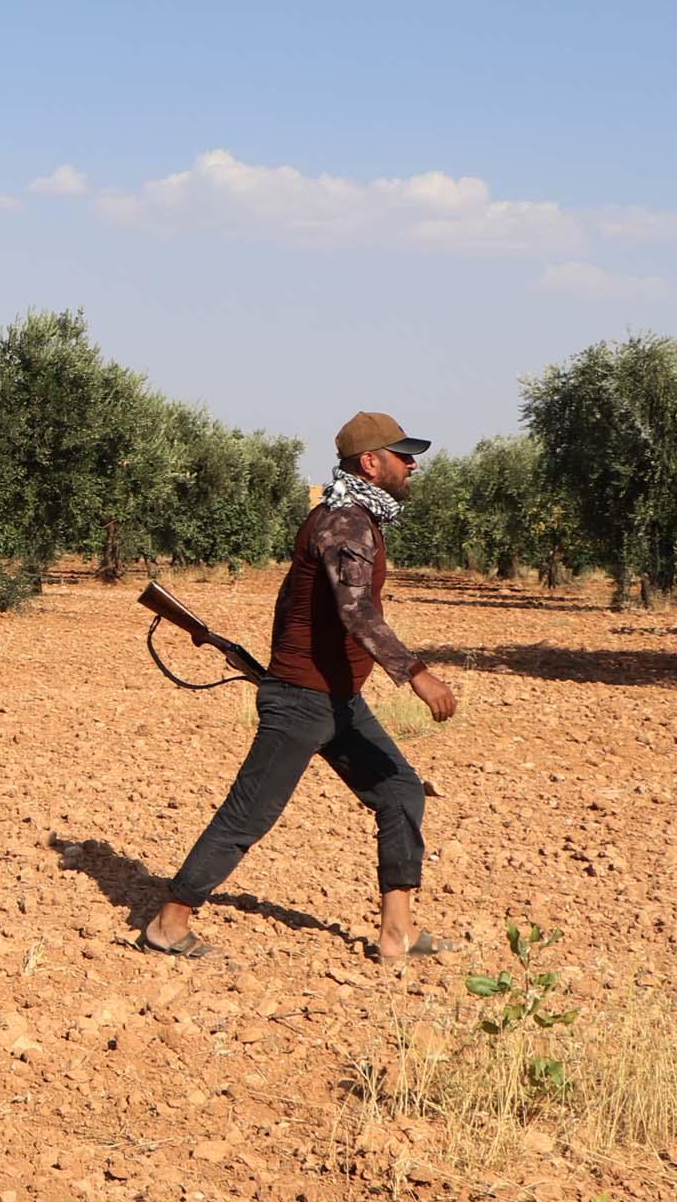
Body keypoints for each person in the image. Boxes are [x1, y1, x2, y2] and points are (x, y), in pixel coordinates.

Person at [141, 411, 461, 963]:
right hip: (303, 700)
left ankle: (398, 933)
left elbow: (294, 601)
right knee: (248, 814)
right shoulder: (345, 522)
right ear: (370, 462)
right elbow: (357, 612)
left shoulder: (350, 516)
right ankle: (169, 924)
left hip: (337, 700)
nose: (412, 465)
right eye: (403, 456)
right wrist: (416, 673)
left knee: (400, 791)